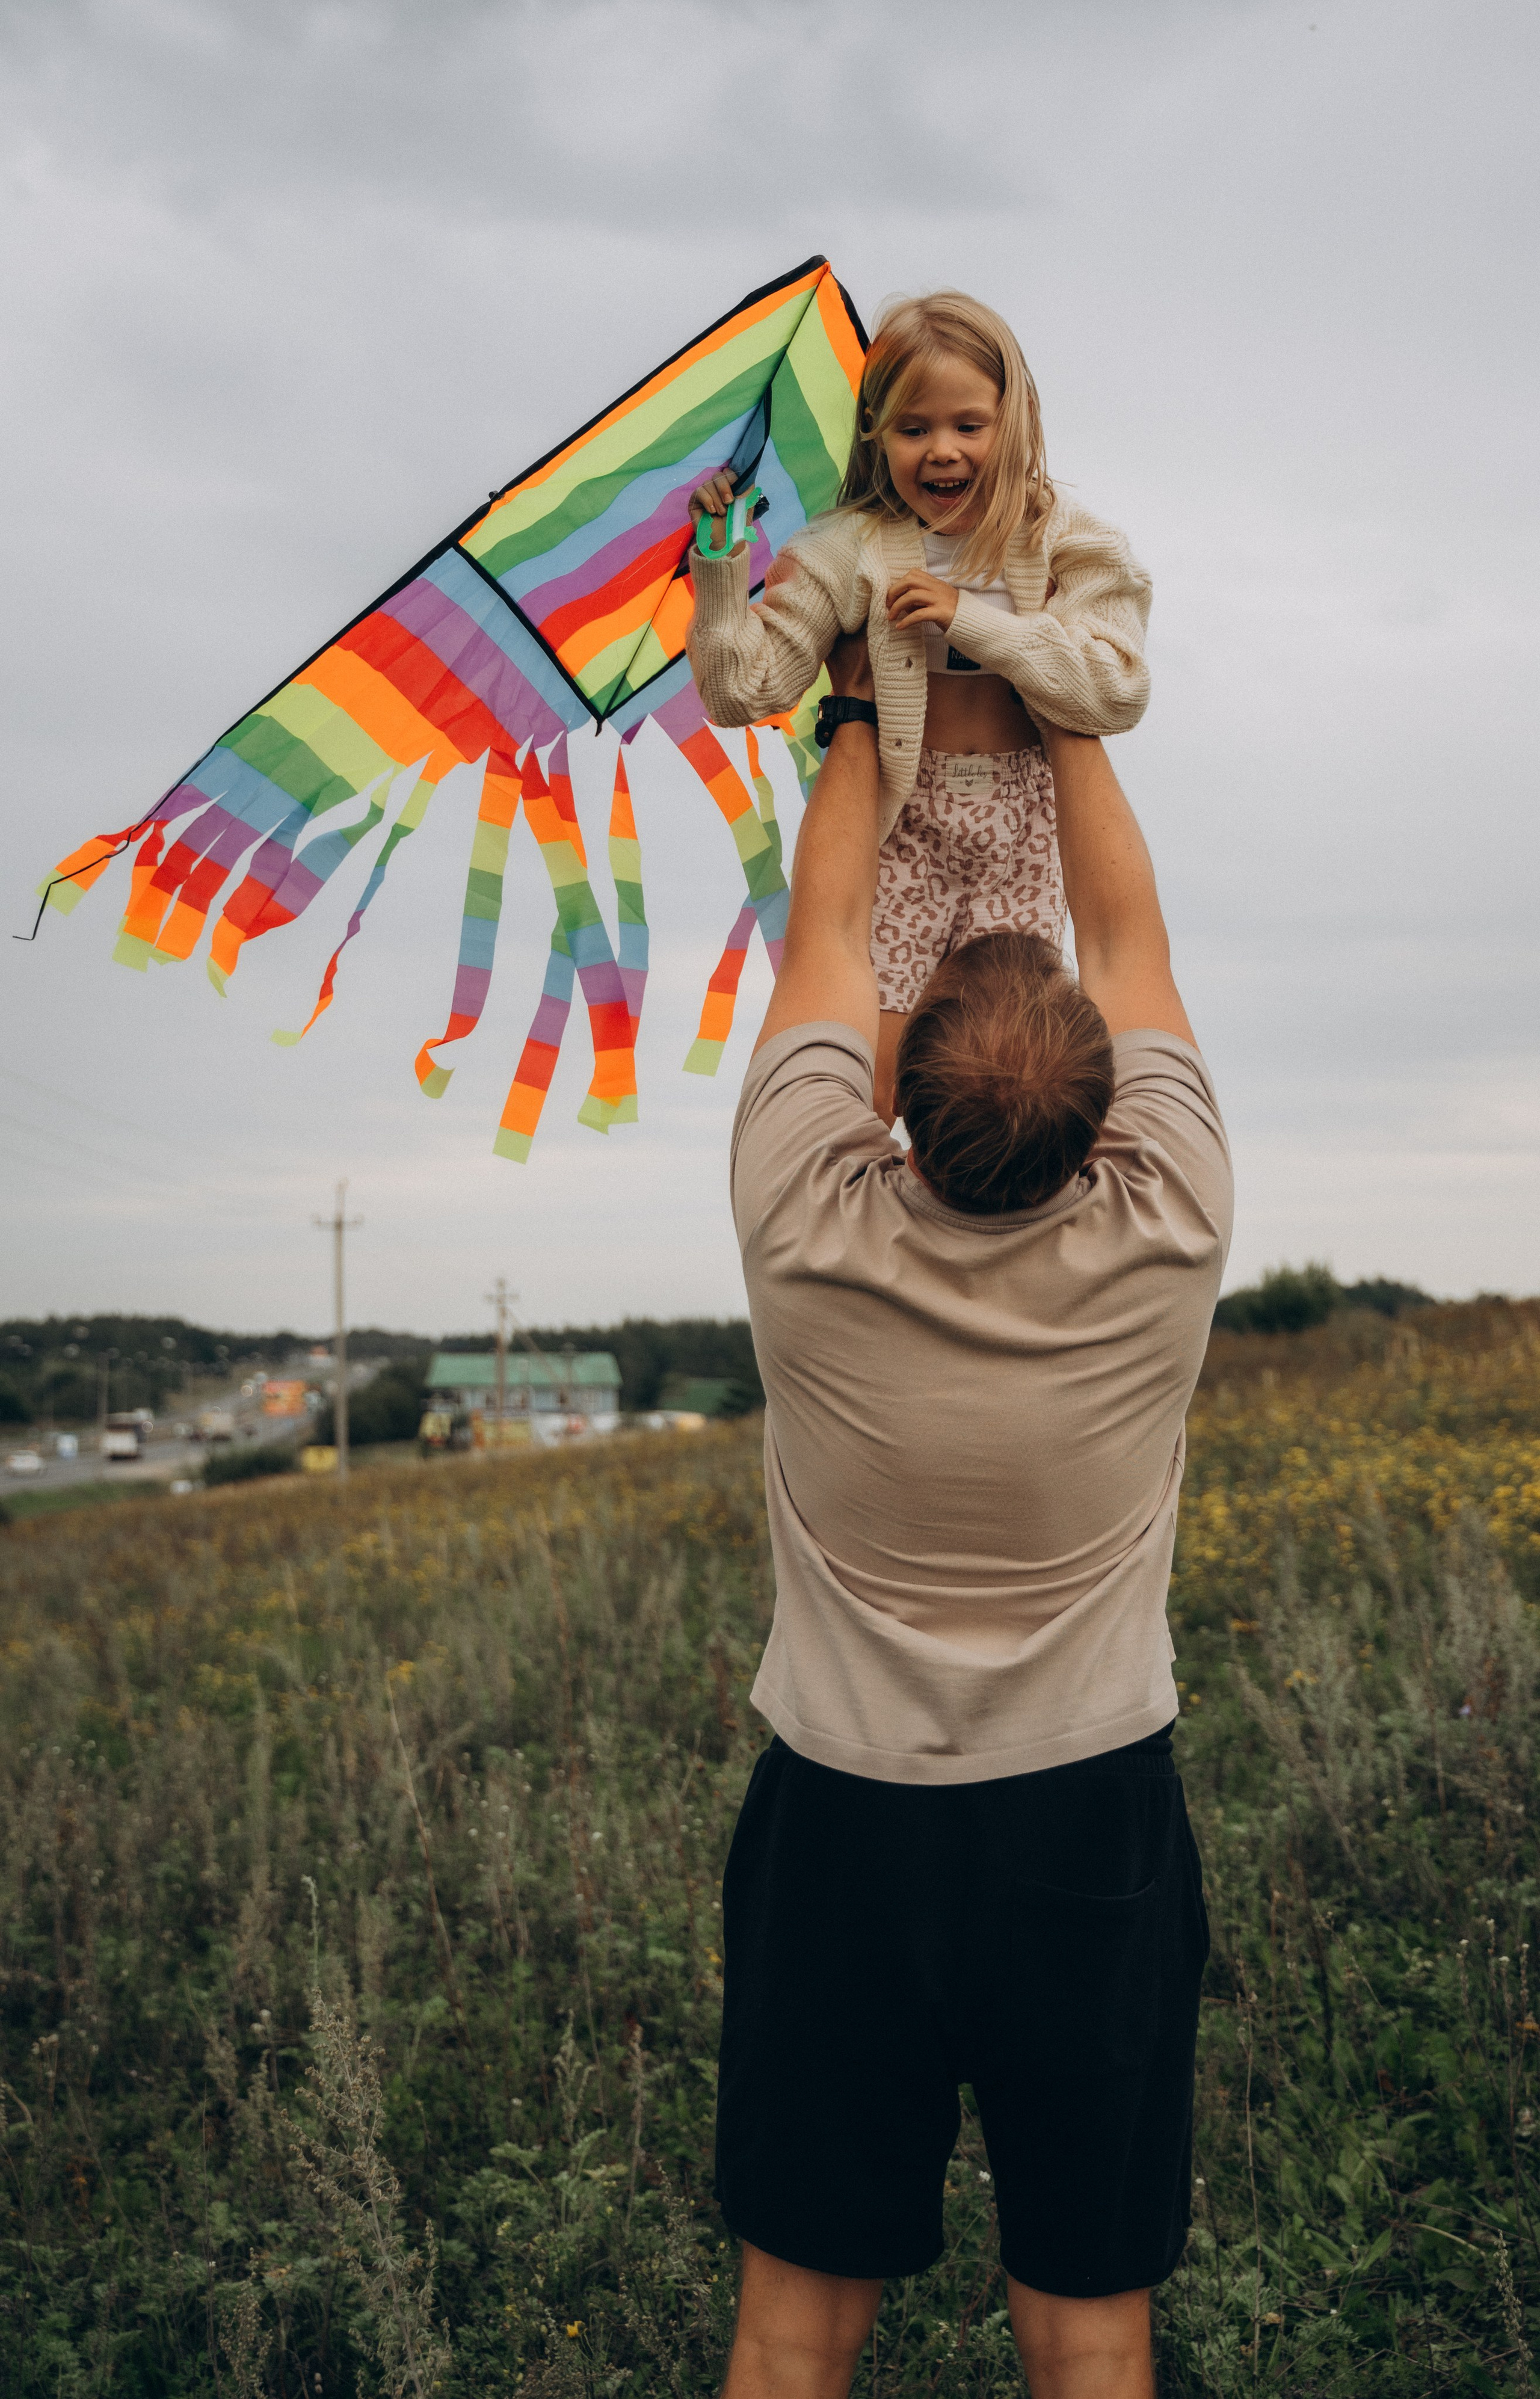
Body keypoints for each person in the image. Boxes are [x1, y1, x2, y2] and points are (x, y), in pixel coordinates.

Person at [715, 633, 1233, 2399]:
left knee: (793, 2327)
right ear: (1103, 1115)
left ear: (894, 1091)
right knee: (1088, 2326)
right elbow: (1135, 941)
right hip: (1089, 1828)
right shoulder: (1167, 1227)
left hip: (842, 1833)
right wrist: (1063, 683)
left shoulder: (807, 1221)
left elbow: (827, 942)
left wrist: (859, 706)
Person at [688, 288, 1151, 1119]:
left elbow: (1115, 691)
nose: (943, 451)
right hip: (904, 827)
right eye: (914, 429)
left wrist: (971, 618)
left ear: (1014, 423)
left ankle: (997, 1227)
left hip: (1022, 829)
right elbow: (742, 691)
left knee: (1011, 1074)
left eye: (968, 425)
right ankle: (873, 1227)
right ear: (877, 435)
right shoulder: (849, 549)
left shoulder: (1066, 541)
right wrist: (721, 572)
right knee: (880, 1073)